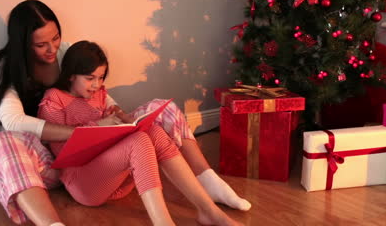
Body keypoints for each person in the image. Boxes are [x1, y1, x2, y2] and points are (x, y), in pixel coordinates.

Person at [0, 0, 250, 226]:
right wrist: (87, 131)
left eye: (55, 38)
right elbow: (12, 121)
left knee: (157, 117)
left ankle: (209, 197)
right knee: (1, 141)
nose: (52, 48)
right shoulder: (10, 67)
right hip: (52, 158)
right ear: (23, 45)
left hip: (100, 156)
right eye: (41, 44)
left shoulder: (67, 54)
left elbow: (99, 92)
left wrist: (122, 118)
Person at [37, 40, 242, 225]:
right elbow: (65, 154)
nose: (97, 85)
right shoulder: (54, 99)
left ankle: (209, 211)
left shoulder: (99, 95)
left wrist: (125, 122)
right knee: (138, 141)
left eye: (100, 78)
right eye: (90, 78)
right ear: (71, 74)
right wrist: (100, 125)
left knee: (151, 130)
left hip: (115, 181)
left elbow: (113, 128)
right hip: (83, 183)